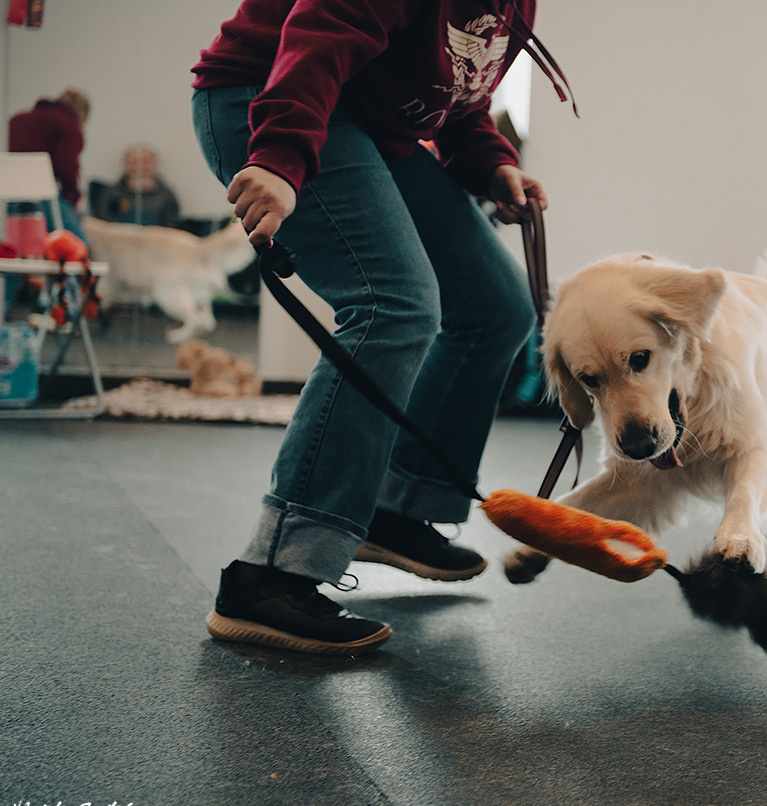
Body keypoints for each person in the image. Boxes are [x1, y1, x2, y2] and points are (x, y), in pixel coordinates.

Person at [191, 0, 574, 655]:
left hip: (366, 120)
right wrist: (281, 155)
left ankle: (398, 507)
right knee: (393, 303)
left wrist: (490, 161)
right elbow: (320, 34)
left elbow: (457, 93)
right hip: (270, 92)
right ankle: (274, 573)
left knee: (497, 307)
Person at [8, 87, 90, 241]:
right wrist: (73, 197)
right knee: (79, 243)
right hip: (44, 196)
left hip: (12, 196)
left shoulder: (17, 119)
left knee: (23, 245)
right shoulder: (68, 124)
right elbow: (67, 168)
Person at [92, 145, 181, 227]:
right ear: (125, 165)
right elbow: (102, 224)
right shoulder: (111, 193)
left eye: (145, 162)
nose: (139, 167)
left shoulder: (166, 195)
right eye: (133, 162)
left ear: (154, 164)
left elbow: (171, 227)